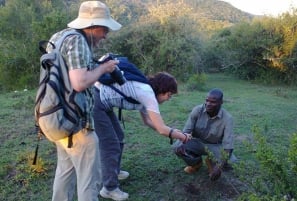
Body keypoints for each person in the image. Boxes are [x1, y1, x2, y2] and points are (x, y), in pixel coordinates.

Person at [46, 1, 121, 201]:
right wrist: (104, 68)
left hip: (58, 118)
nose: (105, 35)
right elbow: (79, 83)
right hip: (77, 126)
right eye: (104, 29)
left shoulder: (59, 36)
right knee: (89, 182)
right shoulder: (78, 41)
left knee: (64, 172)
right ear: (93, 25)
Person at [93, 71, 192, 200]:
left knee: (119, 137)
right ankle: (109, 188)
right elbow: (162, 129)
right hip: (96, 101)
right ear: (162, 90)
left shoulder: (146, 91)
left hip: (102, 100)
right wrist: (181, 137)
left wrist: (173, 131)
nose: (169, 98)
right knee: (111, 145)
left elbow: (148, 121)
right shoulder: (147, 94)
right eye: (169, 95)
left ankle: (113, 172)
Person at [173, 88, 235, 181]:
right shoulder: (197, 110)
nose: (208, 104)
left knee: (230, 162)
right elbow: (186, 131)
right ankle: (196, 164)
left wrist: (219, 167)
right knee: (177, 146)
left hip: (215, 145)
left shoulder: (227, 118)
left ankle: (210, 160)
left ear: (221, 102)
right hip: (196, 142)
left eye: (213, 102)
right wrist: (181, 144)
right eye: (207, 100)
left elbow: (228, 146)